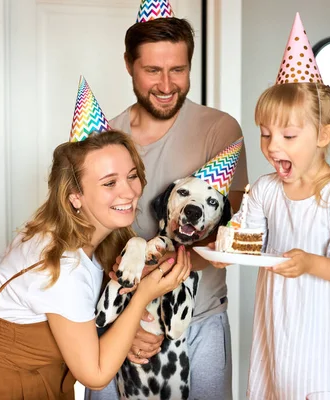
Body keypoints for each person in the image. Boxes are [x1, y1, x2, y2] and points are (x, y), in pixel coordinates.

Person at [0, 127, 192, 399]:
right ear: (75, 195)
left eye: (132, 176)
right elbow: (95, 376)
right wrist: (142, 297)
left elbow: (82, 323)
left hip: (35, 382)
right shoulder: (62, 264)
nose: (129, 192)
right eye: (109, 183)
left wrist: (125, 333)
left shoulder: (95, 239)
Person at [86, 2, 248, 399]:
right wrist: (131, 321)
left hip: (198, 322)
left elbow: (237, 230)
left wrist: (155, 302)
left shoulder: (219, 130)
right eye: (152, 71)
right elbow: (89, 238)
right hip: (118, 324)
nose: (166, 84)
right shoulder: (106, 137)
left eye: (178, 70)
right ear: (128, 64)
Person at [241, 13, 330, 400]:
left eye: (287, 134)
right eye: (265, 134)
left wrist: (309, 263)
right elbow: (246, 235)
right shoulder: (266, 190)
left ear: (323, 135)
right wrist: (226, 250)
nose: (271, 146)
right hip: (278, 333)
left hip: (324, 340)